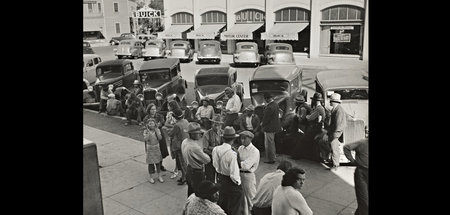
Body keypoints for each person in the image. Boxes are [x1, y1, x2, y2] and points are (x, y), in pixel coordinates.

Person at [212, 126, 244, 215]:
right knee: (234, 207)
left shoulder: (215, 149)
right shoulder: (232, 153)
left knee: (223, 204)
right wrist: (238, 183)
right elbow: (234, 174)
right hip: (231, 181)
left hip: (220, 179)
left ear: (223, 138)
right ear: (233, 139)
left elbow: (215, 165)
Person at [292, 92, 326, 161]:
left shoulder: (318, 109)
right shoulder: (318, 108)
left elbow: (309, 118)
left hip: (315, 128)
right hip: (315, 127)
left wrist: (307, 116)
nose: (313, 101)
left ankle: (296, 155)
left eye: (315, 100)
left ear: (317, 101)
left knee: (303, 140)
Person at [182, 122, 212, 197]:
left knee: (191, 192)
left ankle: (189, 207)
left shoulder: (185, 141)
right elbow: (207, 160)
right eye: (198, 133)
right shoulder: (194, 147)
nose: (200, 135)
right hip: (196, 172)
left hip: (188, 169)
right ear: (192, 134)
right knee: (198, 194)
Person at [322, 93, 347, 171]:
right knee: (332, 147)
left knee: (334, 148)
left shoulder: (338, 110)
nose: (330, 102)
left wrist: (330, 134)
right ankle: (332, 161)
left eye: (331, 101)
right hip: (335, 131)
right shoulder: (336, 109)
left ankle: (335, 165)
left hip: (336, 132)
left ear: (334, 102)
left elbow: (337, 125)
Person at [343, 138, 369, 215]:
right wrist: (352, 160)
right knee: (364, 199)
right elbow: (346, 147)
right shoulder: (362, 143)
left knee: (365, 200)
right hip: (362, 173)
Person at [237, 131, 260, 215]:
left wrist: (239, 163)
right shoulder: (240, 148)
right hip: (239, 174)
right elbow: (240, 162)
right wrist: (240, 163)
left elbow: (246, 166)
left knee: (251, 197)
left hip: (248, 176)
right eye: (241, 138)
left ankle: (254, 213)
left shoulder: (255, 151)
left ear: (250, 139)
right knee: (241, 197)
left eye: (244, 138)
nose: (242, 140)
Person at [143, 103, 169, 172]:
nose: (153, 111)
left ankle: (160, 165)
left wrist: (156, 126)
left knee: (160, 150)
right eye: (152, 109)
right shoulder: (146, 118)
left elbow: (162, 122)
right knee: (151, 152)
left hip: (159, 134)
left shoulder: (159, 116)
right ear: (149, 110)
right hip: (150, 136)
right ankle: (152, 167)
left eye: (154, 109)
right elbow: (146, 125)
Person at [168, 108, 190, 185]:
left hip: (179, 145)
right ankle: (184, 176)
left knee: (181, 162)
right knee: (185, 162)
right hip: (186, 143)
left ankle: (185, 178)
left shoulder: (177, 125)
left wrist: (168, 130)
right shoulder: (186, 121)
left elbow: (171, 134)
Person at [203, 115, 224, 183]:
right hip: (210, 158)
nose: (217, 127)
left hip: (220, 159)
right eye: (215, 125)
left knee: (220, 178)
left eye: (219, 125)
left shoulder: (223, 133)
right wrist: (217, 149)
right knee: (210, 178)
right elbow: (205, 148)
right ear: (212, 124)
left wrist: (212, 148)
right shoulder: (207, 134)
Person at [261, 94, 281, 164]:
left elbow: (266, 119)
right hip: (275, 127)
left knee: (269, 144)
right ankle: (273, 156)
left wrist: (262, 124)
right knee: (272, 142)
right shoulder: (275, 104)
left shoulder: (269, 107)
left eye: (265, 99)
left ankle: (270, 159)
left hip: (269, 128)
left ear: (267, 99)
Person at [143, 119, 164, 184]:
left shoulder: (157, 130)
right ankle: (151, 177)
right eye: (150, 124)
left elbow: (160, 138)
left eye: (152, 123)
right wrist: (148, 132)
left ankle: (159, 176)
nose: (151, 125)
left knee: (158, 162)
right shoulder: (146, 131)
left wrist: (156, 131)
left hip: (156, 147)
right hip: (150, 148)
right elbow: (146, 139)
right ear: (147, 125)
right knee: (151, 163)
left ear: (155, 124)